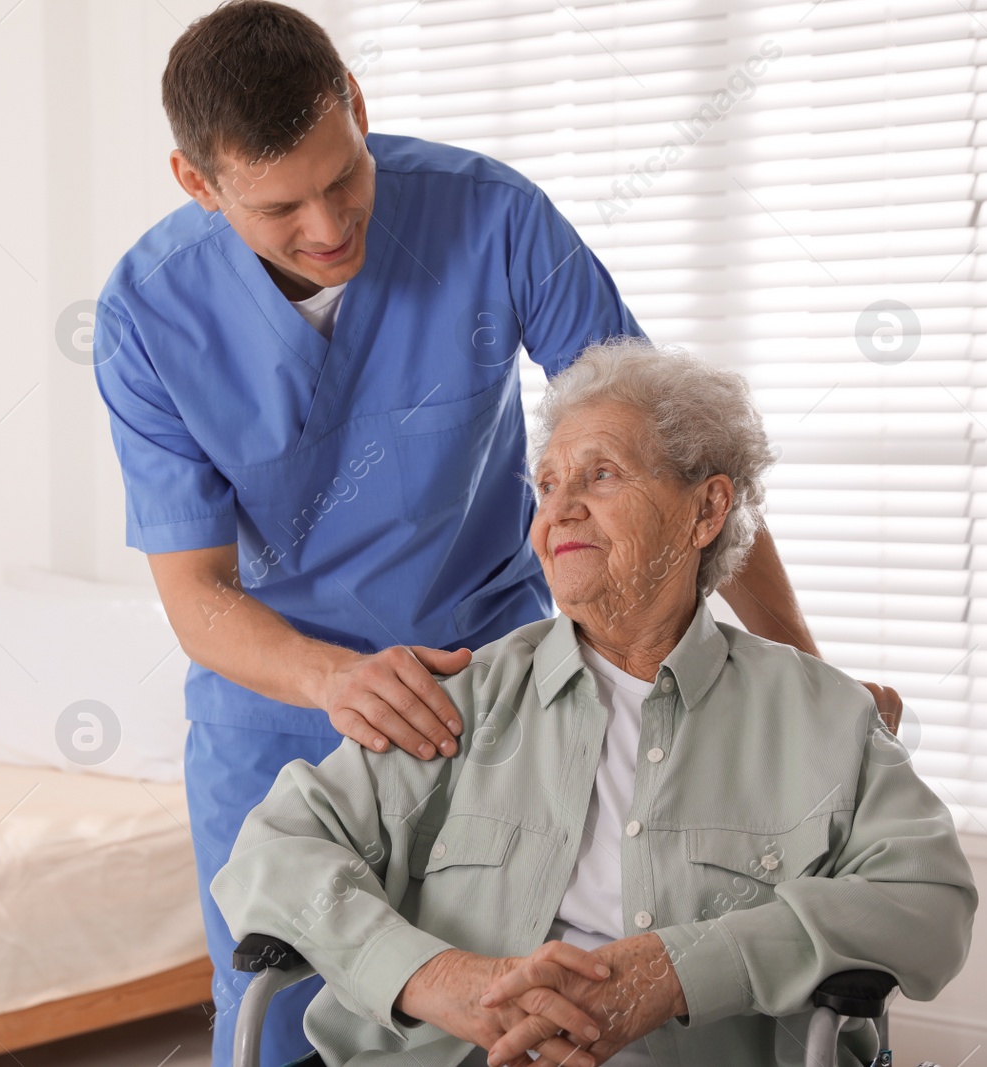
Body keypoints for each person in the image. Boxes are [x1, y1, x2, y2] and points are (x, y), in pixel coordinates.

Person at [90, 4, 901, 1064]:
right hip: (281, 708)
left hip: (495, 697)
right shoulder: (148, 313)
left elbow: (668, 450)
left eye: (345, 177)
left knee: (512, 1009)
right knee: (281, 1016)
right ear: (198, 184)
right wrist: (334, 680)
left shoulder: (491, 217)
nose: (330, 226)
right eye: (282, 206)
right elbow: (195, 591)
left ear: (359, 108)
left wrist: (800, 668)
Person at [211, 339, 977, 1067]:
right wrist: (434, 976)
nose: (559, 511)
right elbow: (272, 853)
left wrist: (678, 969)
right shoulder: (458, 698)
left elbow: (928, 899)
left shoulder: (824, 717)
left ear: (706, 510)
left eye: (602, 474)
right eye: (547, 484)